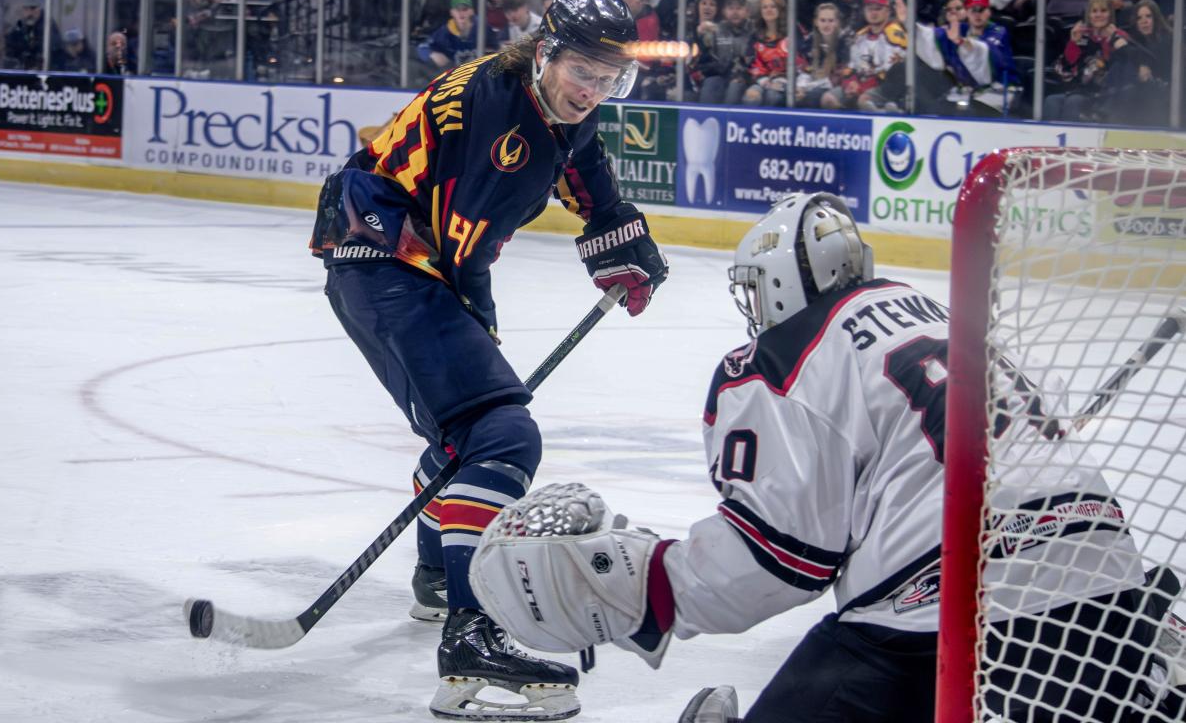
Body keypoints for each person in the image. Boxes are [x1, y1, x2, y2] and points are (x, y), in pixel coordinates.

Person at [468, 192, 1182, 723]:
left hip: (945, 615)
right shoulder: (941, 314)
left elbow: (781, 560)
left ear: (777, 284)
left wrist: (645, 589)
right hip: (1110, 593)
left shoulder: (785, 357)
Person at [308, 0, 667, 721]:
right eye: (583, 74)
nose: (593, 92)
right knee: (499, 433)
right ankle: (471, 634)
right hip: (391, 264)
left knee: (467, 430)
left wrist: (617, 233)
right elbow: (459, 252)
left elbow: (585, 162)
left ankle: (439, 574)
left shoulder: (540, 98)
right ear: (545, 53)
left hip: (390, 256)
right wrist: (485, 335)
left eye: (610, 79)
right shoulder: (499, 123)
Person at [821, 0, 906, 113]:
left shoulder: (895, 34)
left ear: (887, 11)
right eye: (869, 8)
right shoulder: (860, 36)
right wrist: (850, 83)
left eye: (878, 8)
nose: (873, 13)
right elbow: (851, 67)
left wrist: (860, 87)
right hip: (861, 84)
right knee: (828, 99)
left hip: (885, 87)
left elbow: (890, 73)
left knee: (864, 101)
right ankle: (848, 128)